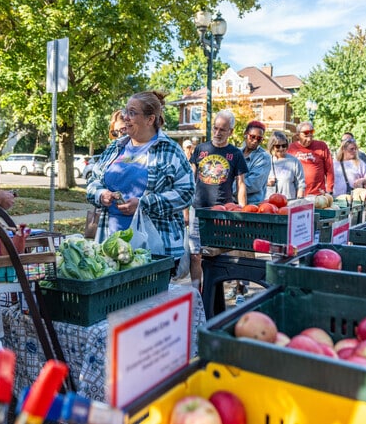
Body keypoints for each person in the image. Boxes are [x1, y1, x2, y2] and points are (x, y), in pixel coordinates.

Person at [86, 91, 194, 261]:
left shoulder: (170, 150)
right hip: (111, 245)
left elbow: (186, 193)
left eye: (132, 113)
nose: (125, 117)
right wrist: (101, 195)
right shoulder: (116, 147)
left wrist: (144, 204)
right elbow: (93, 182)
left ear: (150, 119)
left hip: (154, 248)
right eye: (125, 111)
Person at [188, 110, 248, 292]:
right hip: (198, 209)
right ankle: (196, 292)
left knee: (220, 256)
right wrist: (185, 208)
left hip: (223, 211)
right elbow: (191, 179)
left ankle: (217, 291)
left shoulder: (235, 154)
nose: (217, 132)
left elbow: (241, 184)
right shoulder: (200, 149)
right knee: (195, 254)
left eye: (223, 129)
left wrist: (243, 212)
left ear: (231, 131)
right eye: (215, 128)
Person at [288, 121, 334, 195]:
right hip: (298, 194)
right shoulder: (291, 148)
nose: (309, 139)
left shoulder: (321, 146)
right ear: (297, 136)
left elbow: (329, 169)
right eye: (306, 136)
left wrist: (329, 189)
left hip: (318, 194)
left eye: (311, 136)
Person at [236, 120, 271, 204]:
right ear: (245, 134)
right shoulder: (236, 153)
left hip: (252, 206)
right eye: (252, 136)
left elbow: (254, 184)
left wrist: (228, 189)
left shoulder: (263, 157)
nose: (255, 140)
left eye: (259, 139)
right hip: (232, 203)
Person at [266, 131, 306, 199]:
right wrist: (267, 183)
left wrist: (299, 201)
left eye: (284, 146)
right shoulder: (266, 161)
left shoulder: (294, 162)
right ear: (272, 146)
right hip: (270, 203)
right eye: (278, 146)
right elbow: (258, 183)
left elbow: (301, 185)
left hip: (288, 202)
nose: (281, 149)